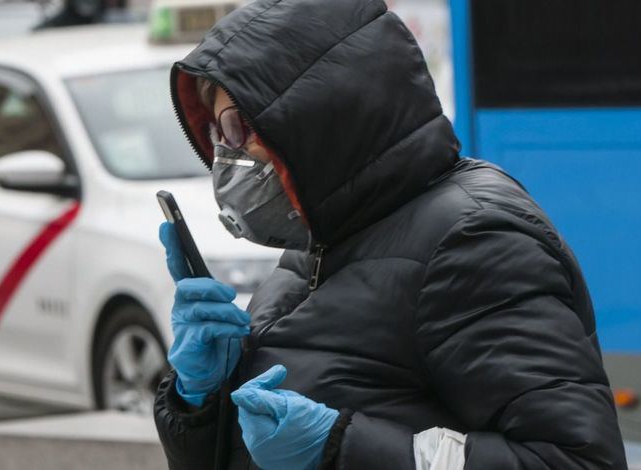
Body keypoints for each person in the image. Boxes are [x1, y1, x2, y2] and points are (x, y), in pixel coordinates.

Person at [153, 0, 628, 468]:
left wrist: (341, 447)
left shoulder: (473, 240)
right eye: (217, 133)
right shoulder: (316, 243)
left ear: (319, 118)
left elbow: (575, 460)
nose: (225, 156)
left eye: (238, 127)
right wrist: (198, 399)